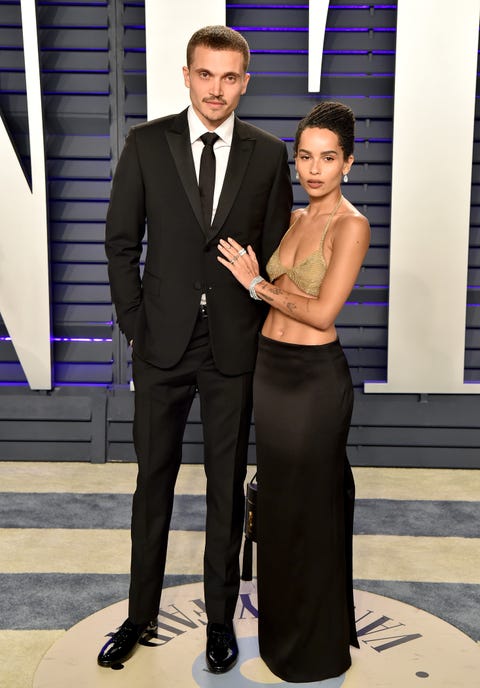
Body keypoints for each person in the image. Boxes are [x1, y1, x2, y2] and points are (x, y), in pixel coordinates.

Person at [98, 25, 292, 672]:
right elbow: (121, 243)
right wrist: (136, 326)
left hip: (232, 349)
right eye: (205, 75)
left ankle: (218, 623)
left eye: (229, 77)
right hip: (162, 346)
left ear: (244, 81)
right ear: (187, 75)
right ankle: (139, 616)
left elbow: (275, 258)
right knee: (151, 482)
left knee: (225, 490)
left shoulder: (267, 156)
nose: (216, 89)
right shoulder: (147, 144)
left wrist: (260, 300)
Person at [218, 101, 370, 682]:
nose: (314, 169)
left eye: (327, 159)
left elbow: (323, 310)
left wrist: (255, 283)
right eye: (305, 156)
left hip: (312, 382)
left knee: (310, 511)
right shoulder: (295, 216)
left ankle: (316, 648)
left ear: (348, 164)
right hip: (271, 371)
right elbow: (280, 293)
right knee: (279, 509)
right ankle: (283, 638)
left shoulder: (349, 225)